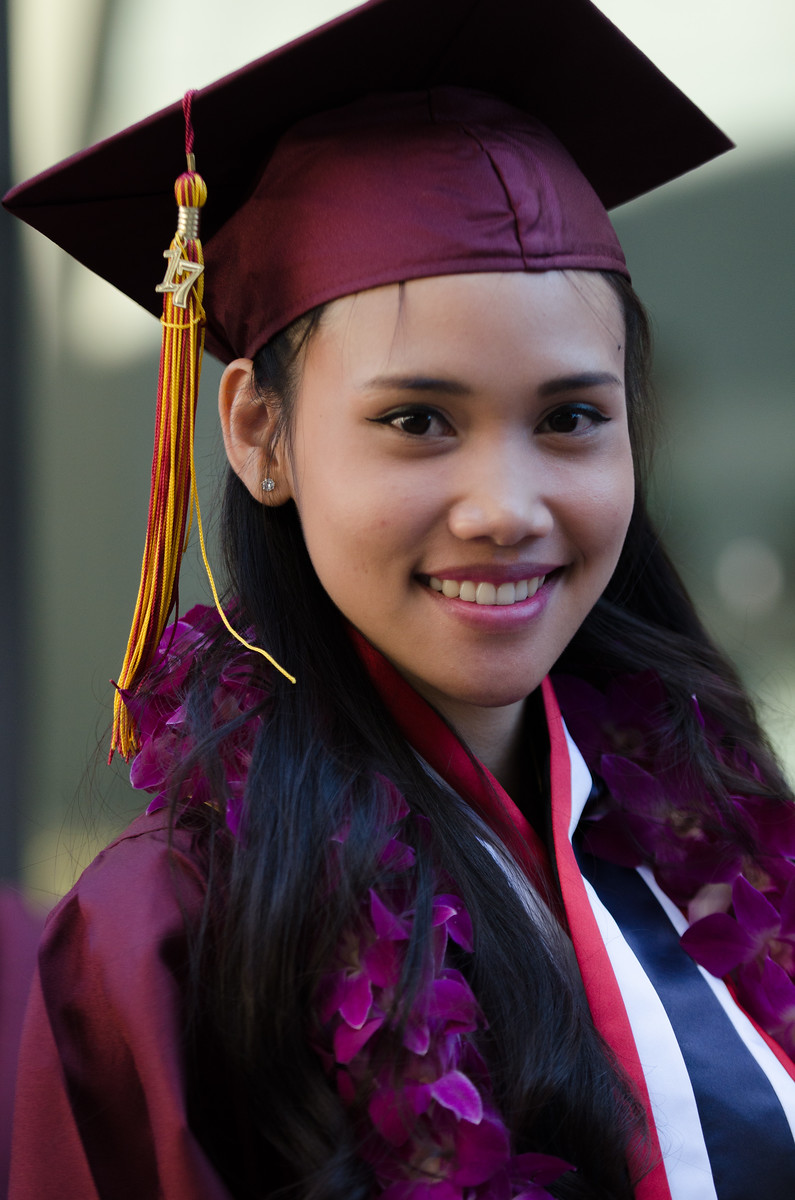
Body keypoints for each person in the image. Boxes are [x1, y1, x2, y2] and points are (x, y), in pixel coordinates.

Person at [4, 0, 795, 1197]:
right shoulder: (170, 938)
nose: (506, 507)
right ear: (260, 436)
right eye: (417, 422)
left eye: (572, 418)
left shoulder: (717, 849)